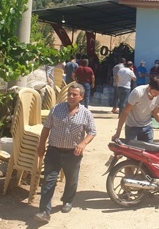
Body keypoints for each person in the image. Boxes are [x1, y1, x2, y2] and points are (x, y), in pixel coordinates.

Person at [34, 83, 97, 223]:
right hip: (53, 151)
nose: (71, 96)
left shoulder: (86, 113)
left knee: (71, 179)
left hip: (72, 153)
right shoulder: (57, 109)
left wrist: (83, 143)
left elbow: (92, 132)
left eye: (75, 94)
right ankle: (44, 211)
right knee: (49, 181)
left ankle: (67, 201)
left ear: (81, 97)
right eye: (69, 93)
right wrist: (41, 145)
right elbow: (46, 128)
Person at [111, 76, 159, 143]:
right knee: (133, 150)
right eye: (155, 92)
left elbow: (156, 113)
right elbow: (125, 112)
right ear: (149, 87)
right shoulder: (138, 92)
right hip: (132, 126)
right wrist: (118, 133)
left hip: (147, 127)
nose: (156, 95)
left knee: (149, 150)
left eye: (158, 93)